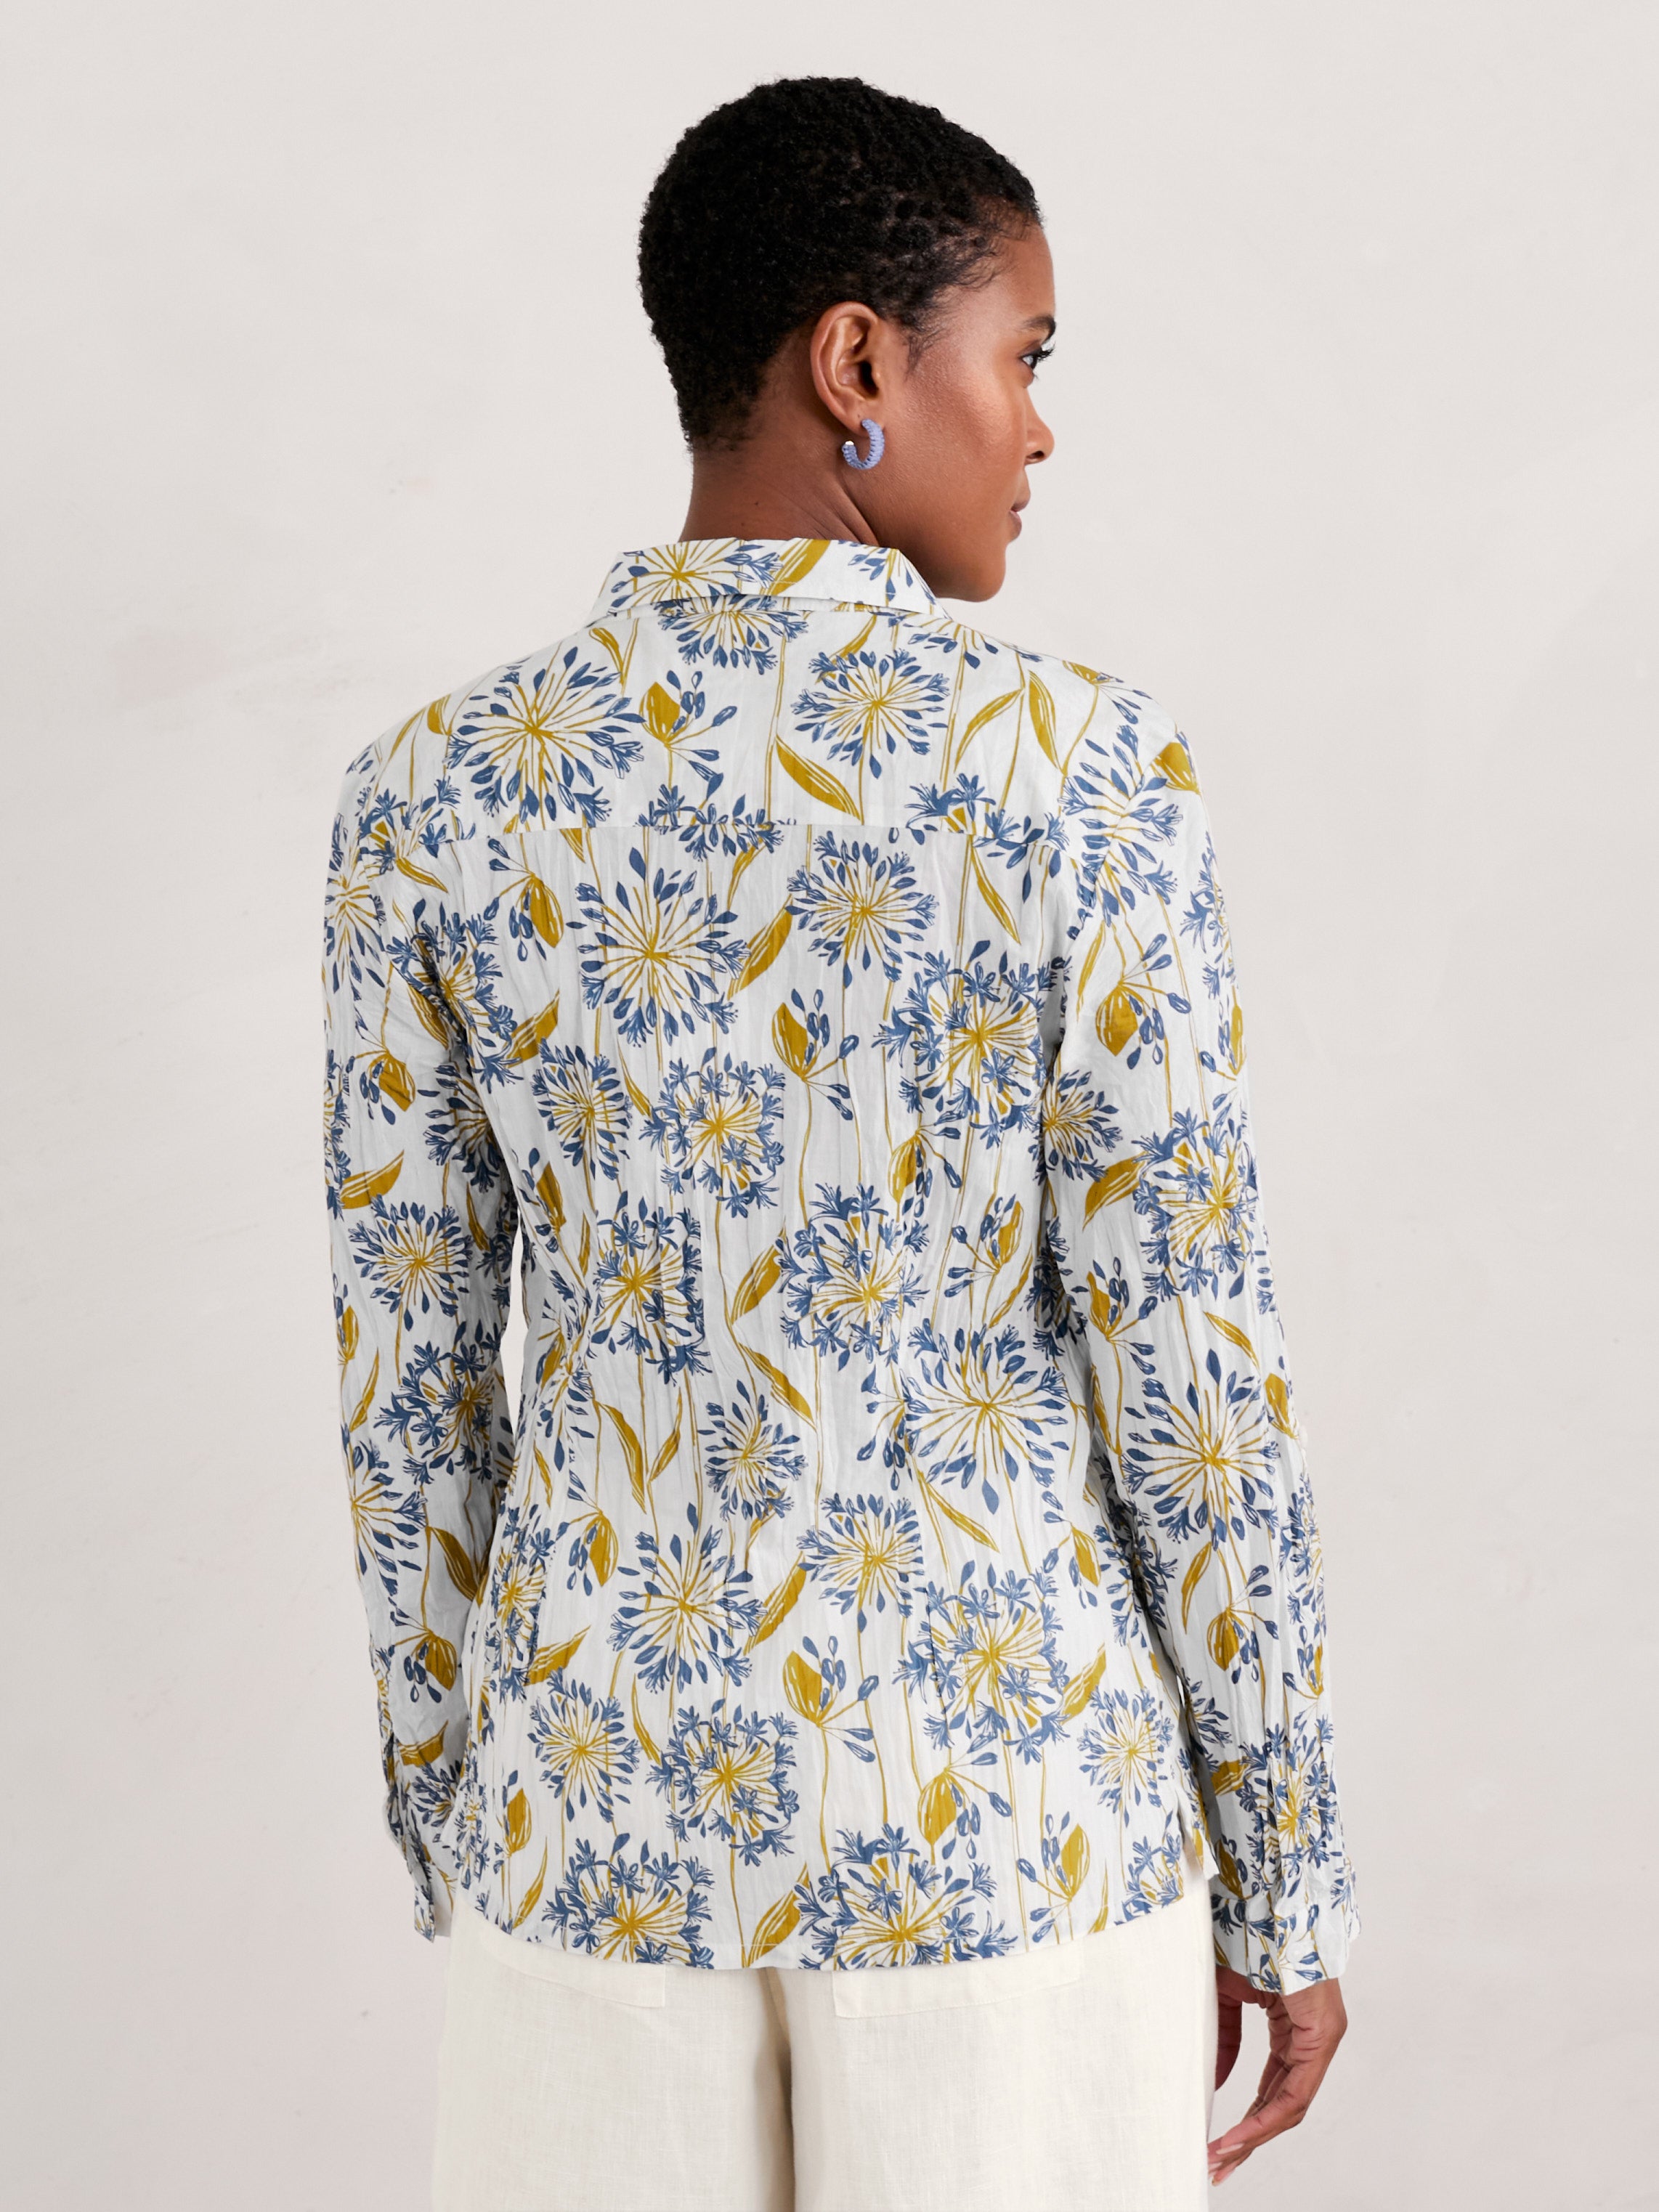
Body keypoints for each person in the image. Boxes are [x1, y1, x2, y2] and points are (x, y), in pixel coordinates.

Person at [321, 73, 1358, 2212]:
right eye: (1025, 356)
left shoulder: (434, 794)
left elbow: (409, 1391)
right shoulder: (1083, 776)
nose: (1041, 428)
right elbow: (1192, 1374)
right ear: (859, 363)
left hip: (591, 1840)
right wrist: (1286, 1872)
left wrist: (465, 1813)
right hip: (1016, 1839)